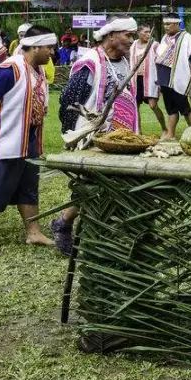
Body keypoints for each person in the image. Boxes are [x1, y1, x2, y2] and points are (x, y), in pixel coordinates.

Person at [52, 16, 139, 254]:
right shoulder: (90, 63)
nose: (132, 41)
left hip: (122, 136)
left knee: (115, 183)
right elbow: (68, 100)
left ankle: (105, 232)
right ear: (111, 35)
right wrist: (74, 133)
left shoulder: (125, 61)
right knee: (91, 185)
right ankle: (64, 223)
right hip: (94, 136)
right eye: (128, 35)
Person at [0, 25, 58, 250]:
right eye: (49, 47)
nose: (52, 52)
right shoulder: (10, 69)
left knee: (28, 184)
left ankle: (33, 231)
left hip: (29, 136)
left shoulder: (36, 69)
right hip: (6, 137)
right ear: (36, 46)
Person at [148, 15, 191, 140]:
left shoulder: (186, 38)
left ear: (177, 24)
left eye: (169, 24)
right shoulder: (165, 38)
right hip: (164, 80)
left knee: (185, 108)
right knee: (171, 108)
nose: (166, 27)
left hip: (179, 78)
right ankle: (170, 134)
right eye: (165, 24)